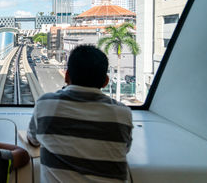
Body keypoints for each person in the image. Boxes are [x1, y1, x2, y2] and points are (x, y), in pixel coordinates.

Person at [27, 45, 133, 182]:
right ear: (105, 82)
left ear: (66, 76)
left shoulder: (45, 105)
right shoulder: (123, 114)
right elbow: (125, 148)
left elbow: (33, 140)